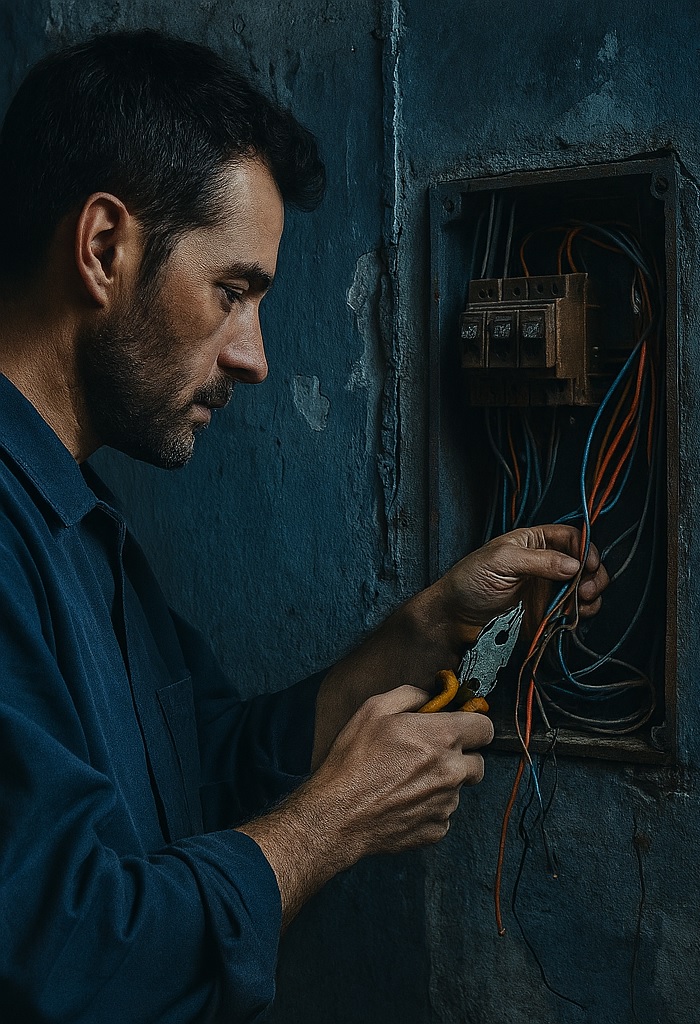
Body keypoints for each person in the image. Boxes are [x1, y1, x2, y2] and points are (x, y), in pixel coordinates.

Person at [0, 30, 607, 1024]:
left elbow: (211, 764)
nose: (255, 357)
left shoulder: (83, 525)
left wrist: (423, 632)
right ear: (104, 247)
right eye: (232, 291)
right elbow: (71, 958)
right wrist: (332, 822)